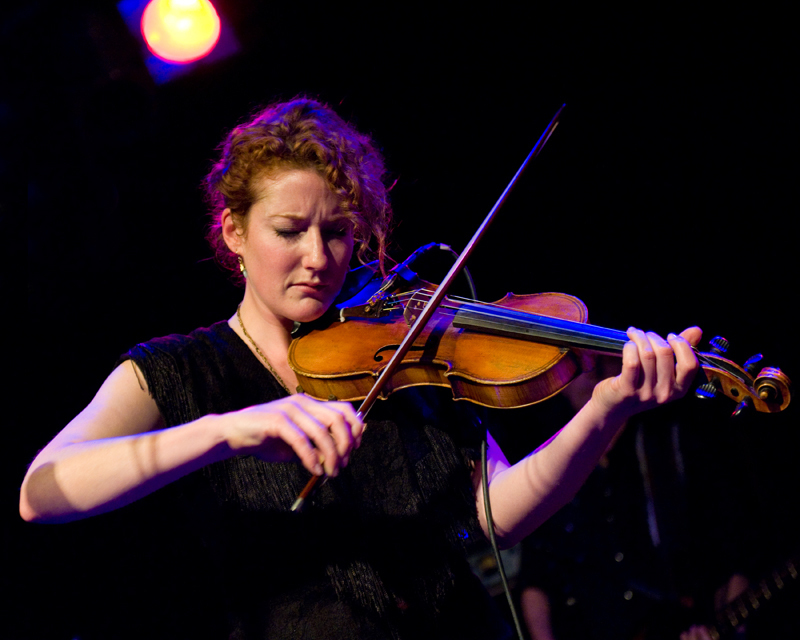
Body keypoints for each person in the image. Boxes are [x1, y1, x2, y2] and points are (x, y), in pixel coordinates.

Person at [19, 97, 701, 639]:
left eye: (338, 230)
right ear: (234, 232)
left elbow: (500, 513)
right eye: (289, 230)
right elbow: (42, 491)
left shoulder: (403, 353)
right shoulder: (181, 371)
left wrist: (607, 411)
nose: (318, 256)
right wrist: (227, 429)